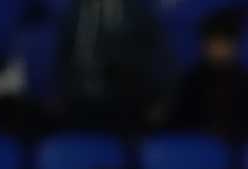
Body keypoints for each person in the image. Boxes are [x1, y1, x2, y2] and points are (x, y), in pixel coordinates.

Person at [162, 10, 248, 143]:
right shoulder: (191, 81)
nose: (220, 49)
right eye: (215, 43)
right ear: (204, 45)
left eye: (226, 44)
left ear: (236, 46)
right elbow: (176, 124)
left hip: (239, 151)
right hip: (197, 149)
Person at [56, 0, 168, 133]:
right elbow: (63, 55)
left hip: (126, 96)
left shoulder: (138, 11)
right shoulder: (76, 10)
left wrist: (160, 97)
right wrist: (59, 93)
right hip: (83, 97)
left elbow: (155, 56)